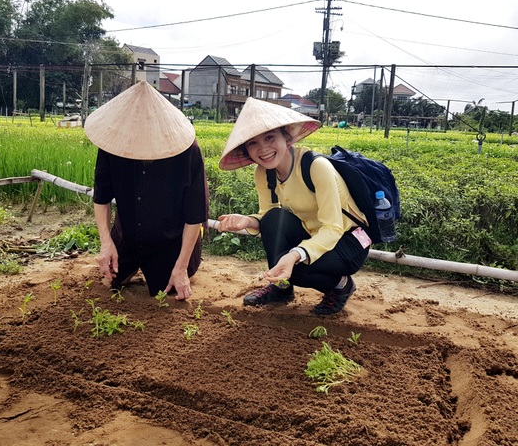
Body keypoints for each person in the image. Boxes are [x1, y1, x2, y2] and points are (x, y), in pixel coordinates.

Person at [217, 97, 371, 315]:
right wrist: (248, 221)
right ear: (247, 150)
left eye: (270, 137)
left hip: (349, 239)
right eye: (253, 143)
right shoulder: (263, 173)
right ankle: (281, 289)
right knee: (272, 219)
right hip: (312, 233)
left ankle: (341, 285)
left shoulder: (317, 167)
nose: (263, 149)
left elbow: (333, 228)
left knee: (293, 268)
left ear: (287, 137)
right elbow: (268, 215)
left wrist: (295, 254)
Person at [84, 81, 209, 301]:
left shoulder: (188, 151)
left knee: (167, 292)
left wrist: (180, 267)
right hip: (128, 236)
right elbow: (102, 196)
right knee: (111, 281)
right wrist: (106, 242)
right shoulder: (112, 146)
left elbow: (194, 215)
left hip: (173, 243)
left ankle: (181, 266)